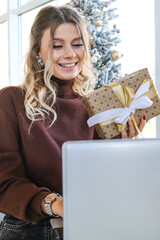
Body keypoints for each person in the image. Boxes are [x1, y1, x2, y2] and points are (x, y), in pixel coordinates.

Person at [0, 5, 146, 240]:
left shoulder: (97, 109)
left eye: (77, 44)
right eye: (57, 45)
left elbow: (104, 185)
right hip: (30, 231)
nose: (69, 54)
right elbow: (4, 183)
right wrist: (54, 204)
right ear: (39, 51)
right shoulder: (12, 101)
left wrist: (123, 149)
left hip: (87, 229)